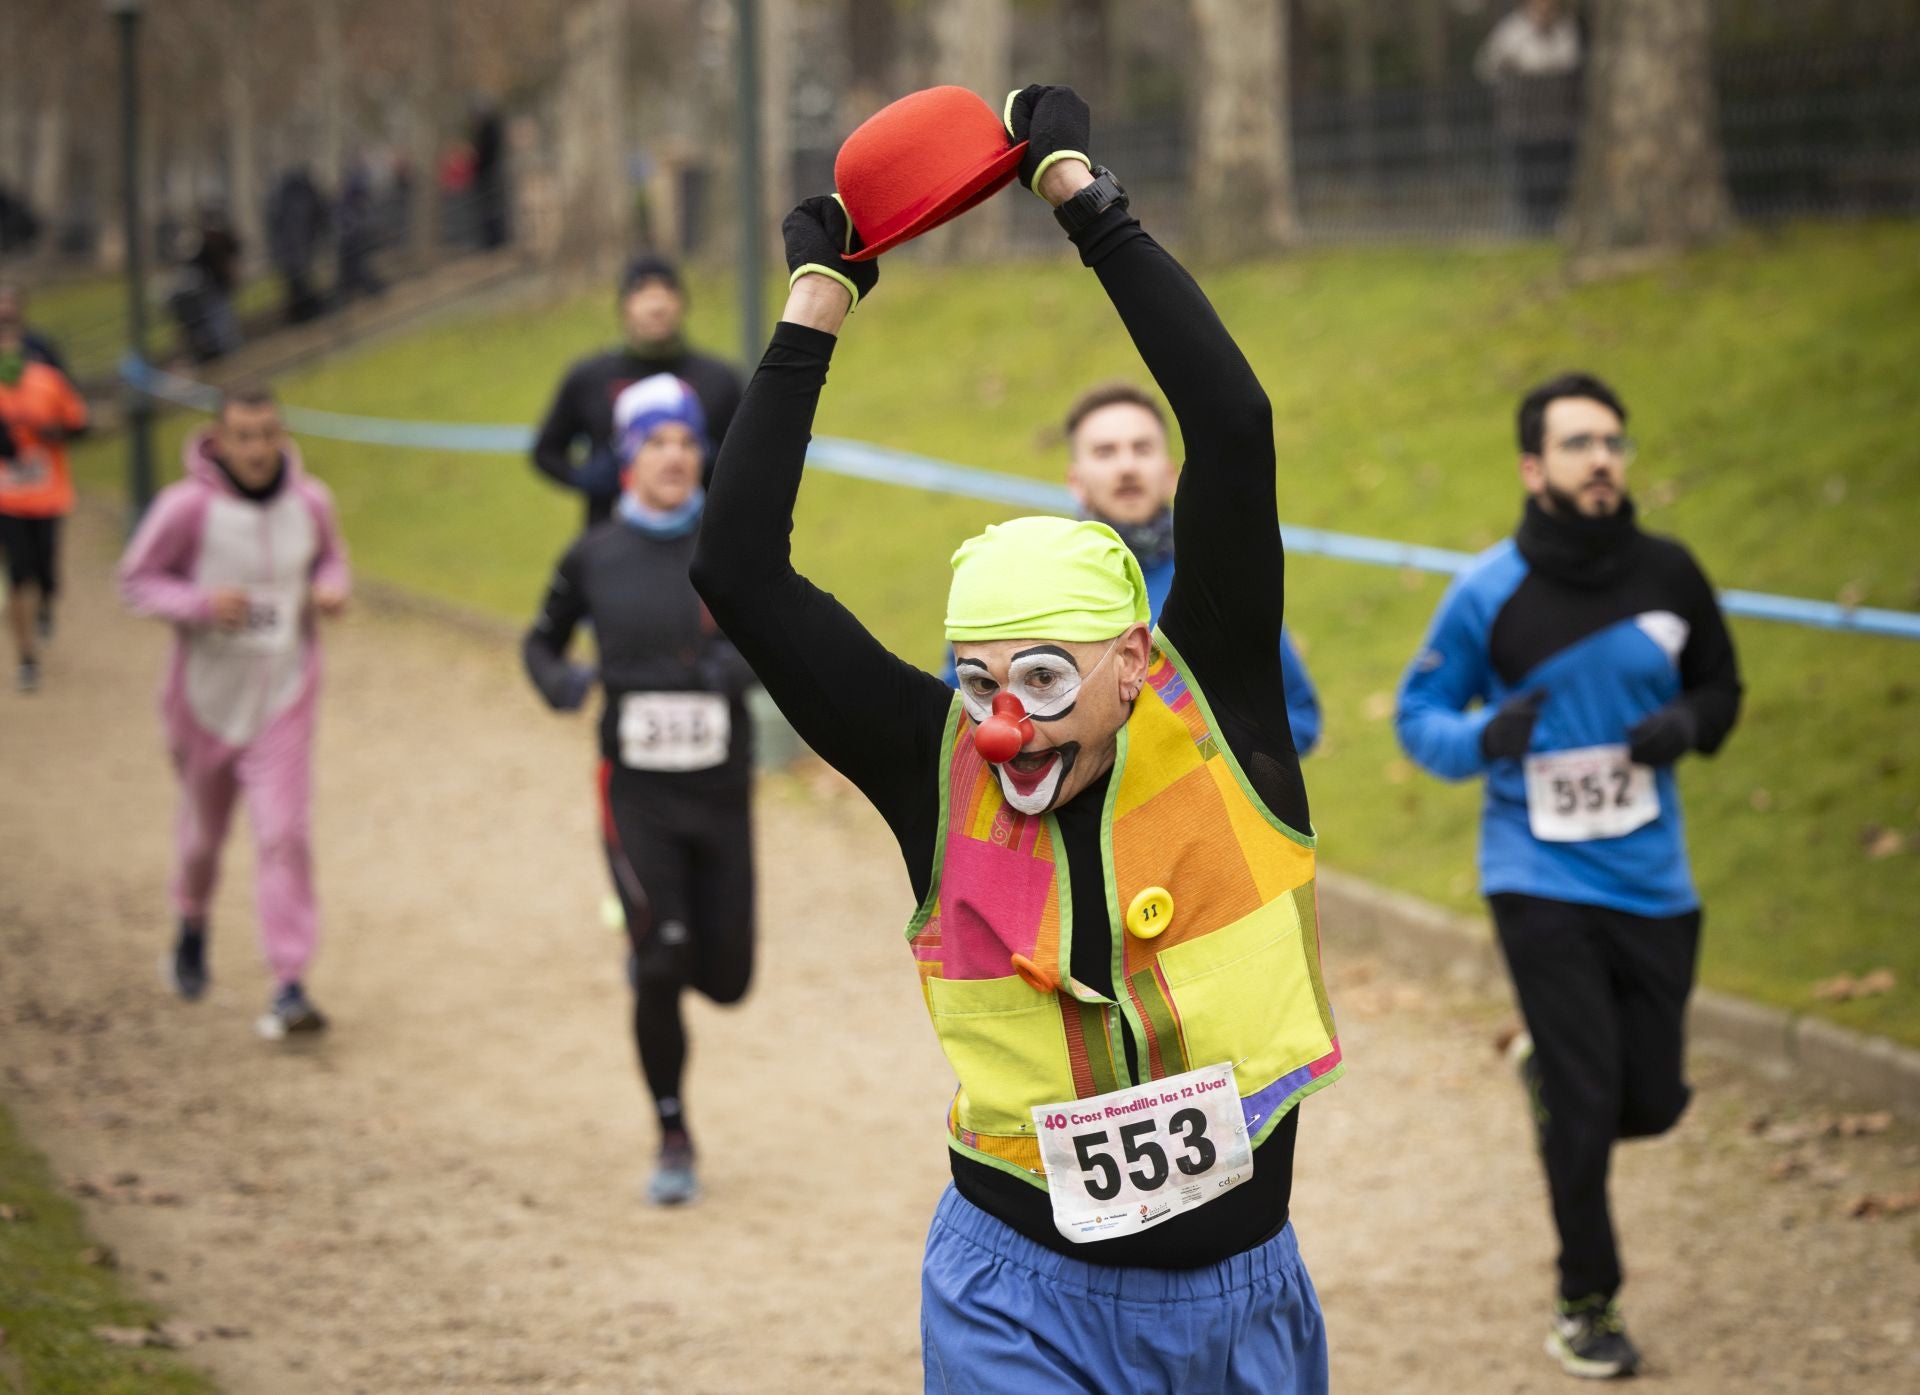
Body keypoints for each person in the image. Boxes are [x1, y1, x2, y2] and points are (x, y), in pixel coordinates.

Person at [693, 86, 1342, 1393]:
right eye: (976, 676)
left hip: (1242, 1305)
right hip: (1017, 1297)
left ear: (1133, 659)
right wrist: (819, 299)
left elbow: (1233, 427)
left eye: (1041, 676)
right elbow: (740, 570)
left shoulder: (1230, 728)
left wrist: (1078, 193)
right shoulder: (938, 769)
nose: (1002, 717)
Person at [1395, 373, 1741, 1380]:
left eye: (1615, 443)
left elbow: (1722, 685)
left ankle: (1546, 1070)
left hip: (1652, 879)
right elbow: (1420, 720)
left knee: (1653, 1104)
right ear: (1533, 466)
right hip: (1535, 873)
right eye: (1582, 443)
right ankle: (1585, 1302)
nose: (1604, 460)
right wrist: (1482, 737)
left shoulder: (1673, 576)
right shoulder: (1488, 593)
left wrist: (1687, 725)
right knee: (1590, 1107)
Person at [522, 373, 756, 1206]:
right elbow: (540, 641)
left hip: (722, 793)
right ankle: (672, 1129)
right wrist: (565, 682)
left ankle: (671, 946)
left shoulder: (729, 548)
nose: (674, 456)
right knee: (660, 962)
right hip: (636, 796)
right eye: (656, 442)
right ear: (627, 458)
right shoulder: (595, 556)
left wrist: (732, 668)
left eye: (687, 441)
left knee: (726, 978)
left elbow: (775, 631)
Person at [119, 385, 352, 1040]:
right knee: (203, 837)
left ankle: (288, 982)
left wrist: (332, 587)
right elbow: (135, 580)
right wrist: (198, 603)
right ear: (218, 440)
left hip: (284, 693)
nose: (257, 449)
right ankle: (191, 920)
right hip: (204, 700)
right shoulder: (185, 509)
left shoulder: (311, 502)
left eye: (268, 434)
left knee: (284, 834)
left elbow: (331, 557)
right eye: (244, 436)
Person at [940, 380, 1322, 754]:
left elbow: (1299, 715)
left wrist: (1196, 752)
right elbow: (960, 716)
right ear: (1076, 480)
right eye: (1106, 452)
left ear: (1171, 473)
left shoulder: (1221, 583)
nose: (1127, 466)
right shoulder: (1016, 579)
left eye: (1141, 448)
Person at [531, 256, 742, 530]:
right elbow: (546, 451)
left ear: (682, 303)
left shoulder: (718, 379)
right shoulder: (590, 377)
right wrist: (585, 478)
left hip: (699, 539)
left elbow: (749, 461)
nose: (656, 306)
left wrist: (710, 469)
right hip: (609, 533)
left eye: (666, 294)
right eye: (643, 294)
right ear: (625, 306)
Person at [0, 306, 87, 690]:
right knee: (18, 575)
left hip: (49, 495)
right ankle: (27, 658)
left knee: (46, 572)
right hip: (7, 500)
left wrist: (55, 432)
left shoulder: (48, 381)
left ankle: (47, 604)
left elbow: (79, 423)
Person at [1474, 0, 1584, 233]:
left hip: (1559, 122)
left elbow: (1570, 63)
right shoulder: (1511, 32)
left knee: (1558, 178)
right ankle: (1533, 229)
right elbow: (1487, 67)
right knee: (1528, 180)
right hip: (1522, 123)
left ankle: (1553, 225)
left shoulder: (1565, 30)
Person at [266, 165, 330, 324]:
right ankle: (306, 314)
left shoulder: (285, 199)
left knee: (299, 283)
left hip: (294, 252)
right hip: (295, 252)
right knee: (298, 284)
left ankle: (307, 313)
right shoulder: (294, 199)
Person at [0, 281, 71, 376]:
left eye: (11, 303)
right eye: (1, 303)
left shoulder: (39, 344)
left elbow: (62, 380)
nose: (6, 309)